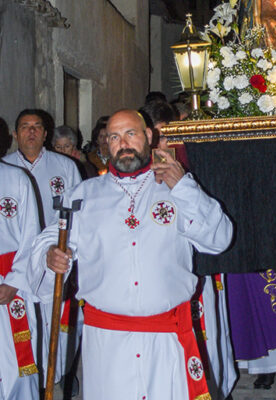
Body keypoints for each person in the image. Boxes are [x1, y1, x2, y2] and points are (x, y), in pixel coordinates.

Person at [30, 109, 233, 400]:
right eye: (114, 136)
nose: (122, 143)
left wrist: (184, 186)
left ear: (149, 136)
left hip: (167, 342)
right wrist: (51, 255)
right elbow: (51, 239)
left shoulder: (178, 188)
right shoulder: (85, 195)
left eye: (131, 133)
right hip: (107, 346)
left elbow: (219, 239)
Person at [3, 109, 82, 389]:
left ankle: (57, 379)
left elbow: (79, 213)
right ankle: (30, 383)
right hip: (18, 263)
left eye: (37, 127)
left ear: (46, 134)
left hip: (53, 259)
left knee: (52, 325)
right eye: (25, 127)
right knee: (24, 332)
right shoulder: (6, 169)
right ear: (15, 134)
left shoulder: (65, 167)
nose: (31, 132)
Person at [0, 160, 41, 400]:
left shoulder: (16, 178)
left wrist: (15, 281)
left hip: (10, 281)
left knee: (16, 364)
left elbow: (31, 234)